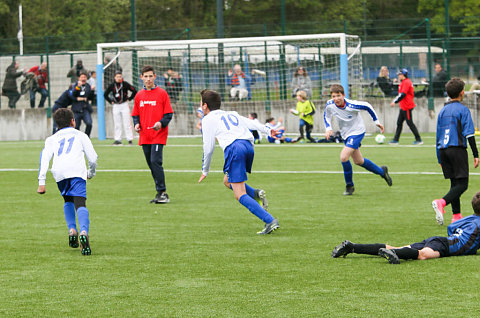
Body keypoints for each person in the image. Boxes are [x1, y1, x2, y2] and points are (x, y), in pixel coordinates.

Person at [198, 89, 280, 235]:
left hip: (235, 148)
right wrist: (268, 130)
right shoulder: (231, 113)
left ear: (205, 106)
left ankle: (269, 220)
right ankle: (255, 193)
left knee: (239, 193)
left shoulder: (207, 120)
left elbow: (208, 148)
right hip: (248, 146)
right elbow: (250, 123)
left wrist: (205, 170)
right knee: (228, 181)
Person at [332, 192, 480, 264]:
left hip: (441, 240)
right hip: (445, 246)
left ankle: (353, 247)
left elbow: (452, 227)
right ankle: (392, 254)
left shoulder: (471, 218)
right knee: (422, 255)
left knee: (399, 248)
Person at [37, 108, 98, 256]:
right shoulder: (81, 135)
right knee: (80, 203)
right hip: (77, 171)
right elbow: (93, 158)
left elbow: (44, 158)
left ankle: (72, 230)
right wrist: (91, 172)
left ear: (57, 124)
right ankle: (83, 231)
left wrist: (42, 181)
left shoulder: (51, 139)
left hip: (59, 172)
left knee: (68, 200)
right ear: (73, 121)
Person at [324, 84, 392, 195]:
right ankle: (382, 171)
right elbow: (326, 115)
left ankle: (349, 186)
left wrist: (377, 122)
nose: (336, 99)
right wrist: (328, 129)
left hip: (357, 132)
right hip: (345, 134)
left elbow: (367, 106)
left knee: (344, 157)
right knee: (358, 161)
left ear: (344, 95)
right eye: (334, 96)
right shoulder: (330, 105)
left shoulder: (352, 105)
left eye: (338, 96)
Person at [432, 77, 479, 225]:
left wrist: (439, 157)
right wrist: (476, 155)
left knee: (454, 184)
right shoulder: (463, 110)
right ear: (462, 93)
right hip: (457, 149)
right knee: (462, 185)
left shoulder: (443, 111)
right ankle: (441, 202)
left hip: (444, 150)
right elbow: (469, 134)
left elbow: (438, 136)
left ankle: (456, 216)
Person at [132, 65, 174, 204]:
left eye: (151, 76)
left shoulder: (162, 93)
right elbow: (135, 115)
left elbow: (168, 114)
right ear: (141, 78)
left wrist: (160, 124)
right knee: (151, 164)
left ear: (155, 77)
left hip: (158, 135)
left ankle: (163, 193)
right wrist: (137, 124)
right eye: (146, 76)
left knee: (156, 161)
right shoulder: (139, 95)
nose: (148, 79)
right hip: (145, 136)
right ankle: (159, 192)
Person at [389, 68, 423, 145]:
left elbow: (403, 94)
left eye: (400, 74)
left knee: (410, 123)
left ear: (403, 75)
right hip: (403, 106)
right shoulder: (403, 82)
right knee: (399, 123)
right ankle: (396, 139)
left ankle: (418, 139)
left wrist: (395, 102)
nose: (399, 76)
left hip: (407, 106)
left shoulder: (407, 82)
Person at [104, 71, 137, 145]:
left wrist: (130, 98)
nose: (119, 78)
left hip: (124, 104)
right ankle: (118, 139)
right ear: (114, 77)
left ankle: (130, 139)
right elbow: (105, 94)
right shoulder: (112, 85)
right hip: (116, 105)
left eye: (120, 76)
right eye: (117, 77)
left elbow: (134, 90)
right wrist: (110, 101)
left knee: (127, 122)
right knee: (117, 123)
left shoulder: (125, 84)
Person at [70, 72, 94, 137]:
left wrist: (92, 91)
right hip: (76, 109)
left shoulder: (88, 86)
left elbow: (90, 97)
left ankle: (86, 137)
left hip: (85, 108)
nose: (83, 79)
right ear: (79, 78)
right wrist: (78, 87)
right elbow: (73, 95)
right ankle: (77, 139)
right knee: (76, 126)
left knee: (89, 123)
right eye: (82, 77)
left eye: (84, 77)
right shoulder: (75, 85)